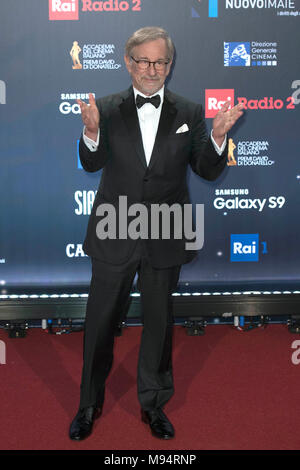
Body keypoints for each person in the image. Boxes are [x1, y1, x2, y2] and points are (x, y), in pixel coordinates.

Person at [69, 26, 244, 441]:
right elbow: (92, 165)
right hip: (115, 228)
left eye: (160, 62)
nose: (152, 69)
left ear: (170, 65)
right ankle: (88, 406)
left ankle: (153, 405)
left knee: (159, 323)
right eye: (144, 61)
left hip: (166, 232)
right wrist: (91, 132)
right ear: (129, 63)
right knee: (98, 324)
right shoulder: (106, 109)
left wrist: (218, 137)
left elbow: (206, 168)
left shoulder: (188, 111)